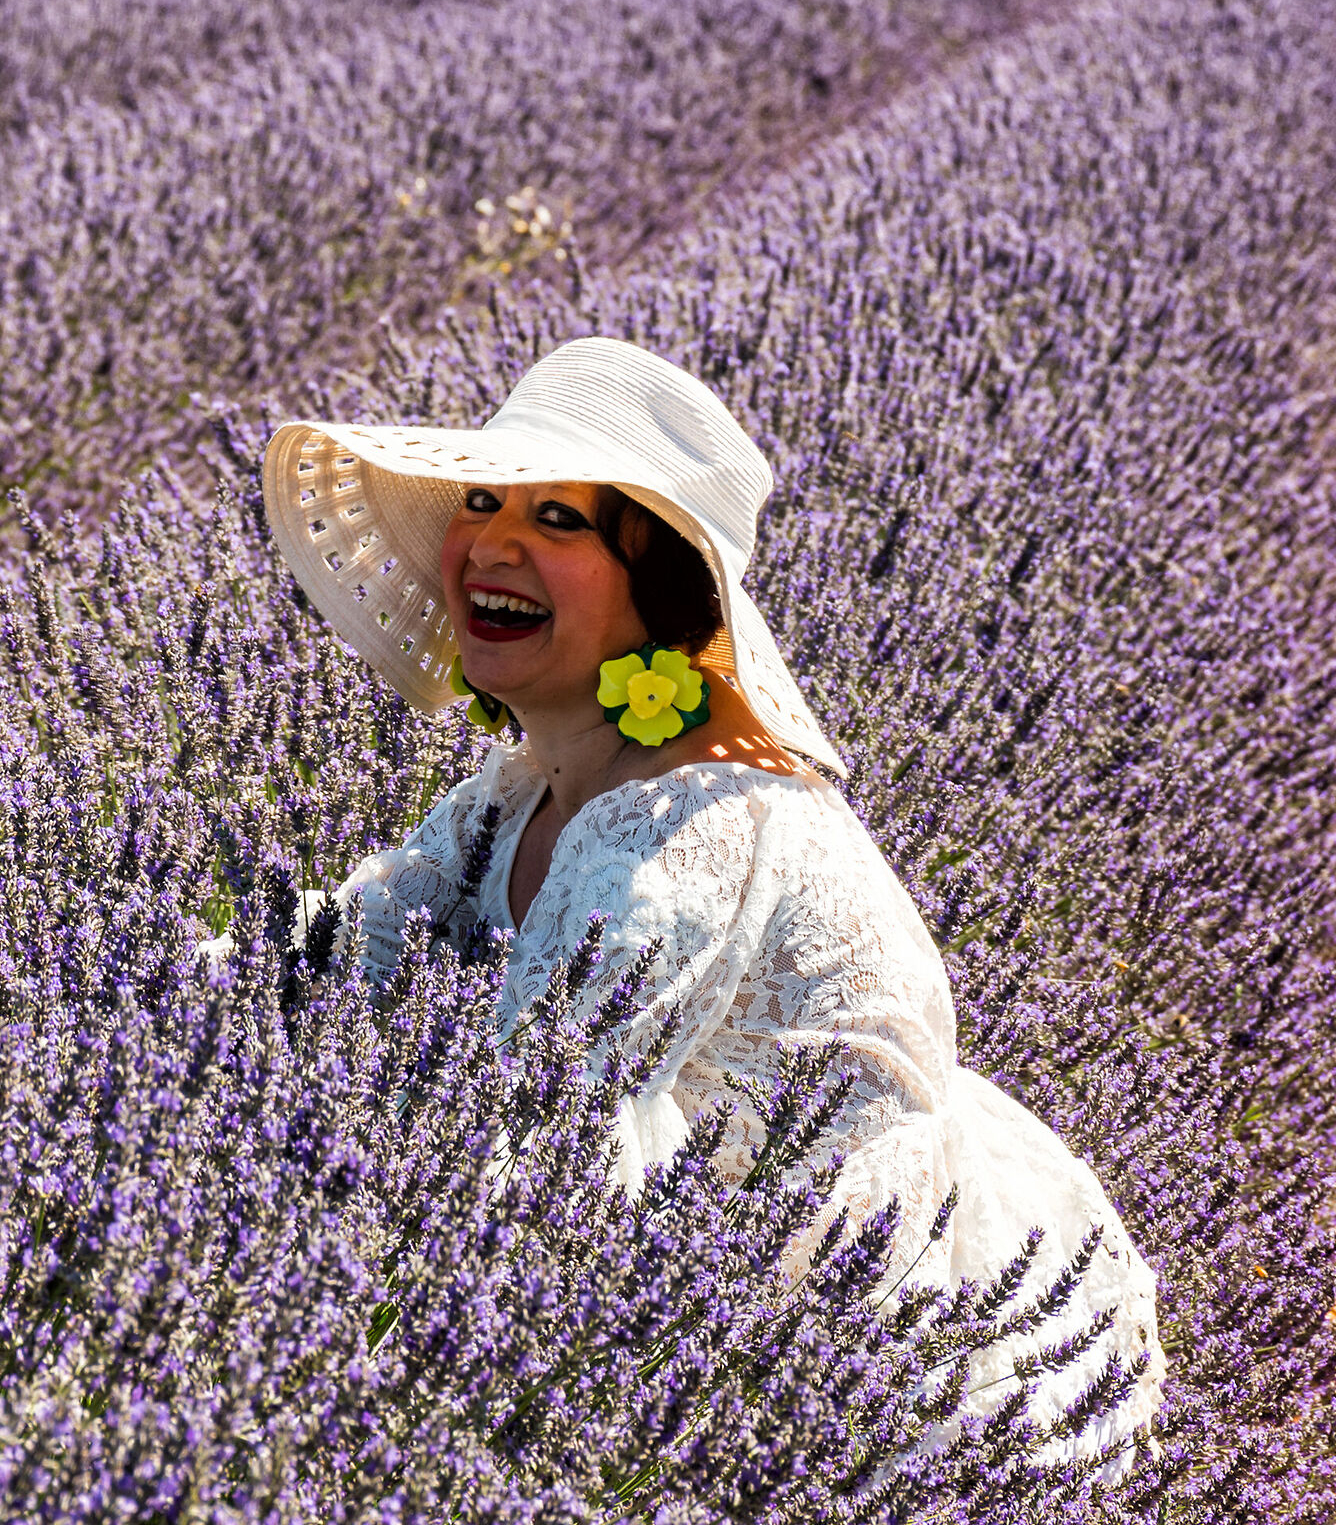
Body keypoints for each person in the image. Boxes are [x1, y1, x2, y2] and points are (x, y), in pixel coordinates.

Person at [258, 335, 1163, 1464]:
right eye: (482, 500)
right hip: (663, 1262)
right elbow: (347, 937)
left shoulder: (680, 832)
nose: (491, 542)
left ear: (664, 588)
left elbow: (520, 1146)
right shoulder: (525, 780)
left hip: (828, 1363)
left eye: (560, 521)